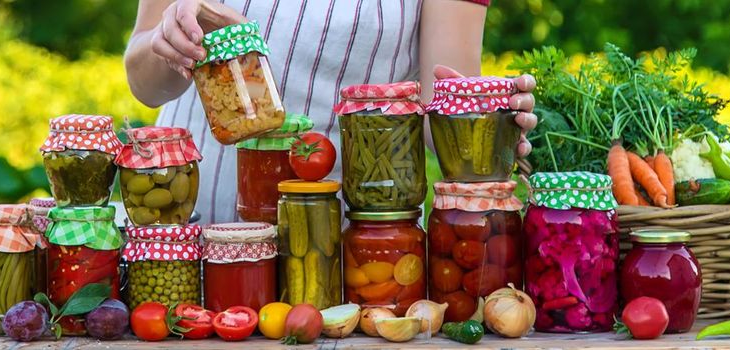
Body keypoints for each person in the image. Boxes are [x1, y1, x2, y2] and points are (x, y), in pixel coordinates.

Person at [124, 0, 536, 224]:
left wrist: (485, 124)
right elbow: (144, 83)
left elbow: (439, 110)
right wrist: (168, 41)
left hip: (341, 243)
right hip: (189, 231)